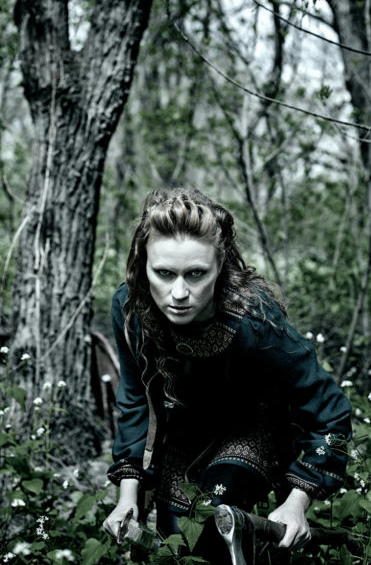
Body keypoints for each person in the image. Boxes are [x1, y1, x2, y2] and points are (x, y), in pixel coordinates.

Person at [103, 188, 352, 563]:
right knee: (176, 547)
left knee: (214, 515)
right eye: (164, 273)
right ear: (143, 265)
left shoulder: (255, 319)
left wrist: (297, 502)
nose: (179, 292)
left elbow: (330, 412)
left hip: (253, 429)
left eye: (197, 274)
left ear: (220, 266)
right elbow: (135, 398)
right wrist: (128, 495)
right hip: (183, 434)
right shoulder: (129, 308)